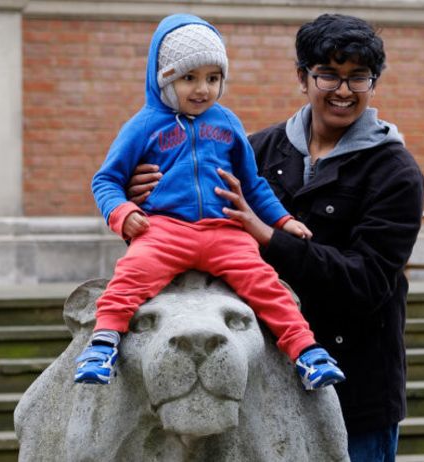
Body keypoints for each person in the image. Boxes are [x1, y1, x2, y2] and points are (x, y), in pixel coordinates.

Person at [127, 14, 424, 462]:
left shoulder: (395, 172)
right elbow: (192, 242)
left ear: (373, 83)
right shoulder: (256, 148)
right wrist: (143, 205)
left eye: (357, 77)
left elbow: (366, 283)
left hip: (355, 390)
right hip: (260, 390)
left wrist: (267, 235)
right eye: (328, 75)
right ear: (303, 77)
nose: (343, 90)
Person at [73, 13, 345, 393]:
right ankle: (102, 345)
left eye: (213, 78)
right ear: (164, 77)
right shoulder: (143, 124)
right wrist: (123, 212)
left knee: (265, 283)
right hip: (165, 229)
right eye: (189, 78)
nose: (202, 89)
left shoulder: (228, 122)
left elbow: (252, 184)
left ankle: (306, 351)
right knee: (130, 275)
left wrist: (282, 221)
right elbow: (106, 180)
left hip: (225, 232)